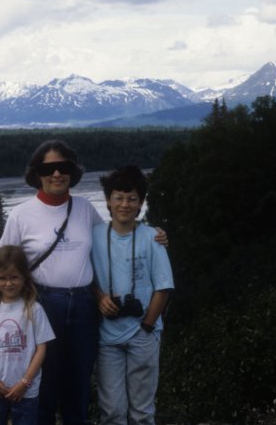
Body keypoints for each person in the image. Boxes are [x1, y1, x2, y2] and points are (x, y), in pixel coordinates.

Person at [0, 139, 167, 425]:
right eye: (49, 168)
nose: (57, 174)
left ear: (73, 172)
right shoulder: (22, 214)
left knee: (79, 386)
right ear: (37, 173)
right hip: (43, 305)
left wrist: (153, 233)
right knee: (44, 386)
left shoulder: (84, 208)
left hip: (85, 305)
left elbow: (116, 233)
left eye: (64, 167)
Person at [91, 165, 174, 425]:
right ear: (107, 200)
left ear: (140, 203)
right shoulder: (94, 236)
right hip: (107, 337)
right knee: (112, 411)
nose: (124, 204)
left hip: (142, 335)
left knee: (142, 411)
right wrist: (99, 298)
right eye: (118, 197)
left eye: (132, 198)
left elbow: (163, 287)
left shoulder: (152, 238)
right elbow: (84, 278)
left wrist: (147, 326)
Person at [0, 245, 56, 425]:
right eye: (2, 278)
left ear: (25, 277)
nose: (8, 283)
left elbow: (42, 349)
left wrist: (25, 382)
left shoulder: (34, 309)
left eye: (14, 277)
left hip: (26, 391)